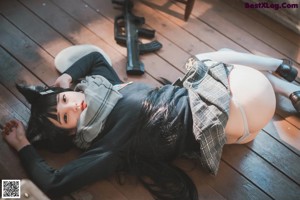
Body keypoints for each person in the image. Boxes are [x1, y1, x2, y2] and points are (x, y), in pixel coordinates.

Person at [2, 45, 299, 200]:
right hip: (237, 114)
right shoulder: (108, 147)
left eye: (65, 99)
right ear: (70, 134)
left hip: (240, 124)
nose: (76, 104)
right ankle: (281, 73)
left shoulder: (109, 88)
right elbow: (53, 183)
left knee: (218, 61)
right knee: (209, 59)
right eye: (68, 117)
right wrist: (24, 146)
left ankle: (289, 88)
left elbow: (93, 58)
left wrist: (66, 78)